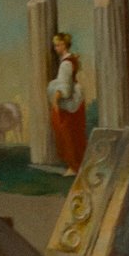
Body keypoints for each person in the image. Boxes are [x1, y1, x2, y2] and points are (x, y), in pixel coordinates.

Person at [47, 32, 86, 172]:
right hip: (75, 100)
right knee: (74, 132)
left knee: (66, 133)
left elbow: (64, 84)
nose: (55, 48)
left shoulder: (65, 63)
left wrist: (56, 100)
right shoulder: (71, 59)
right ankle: (75, 164)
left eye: (57, 45)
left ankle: (74, 165)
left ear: (63, 45)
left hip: (68, 102)